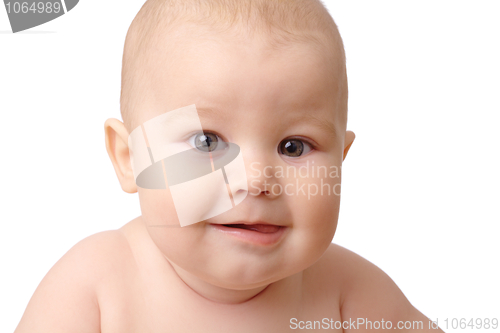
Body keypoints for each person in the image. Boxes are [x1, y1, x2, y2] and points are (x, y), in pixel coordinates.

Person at [14, 0, 444, 331]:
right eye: (208, 141)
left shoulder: (349, 293)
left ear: (340, 163)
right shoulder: (97, 287)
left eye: (294, 147)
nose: (257, 180)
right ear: (132, 159)